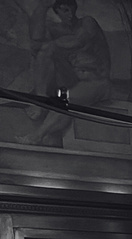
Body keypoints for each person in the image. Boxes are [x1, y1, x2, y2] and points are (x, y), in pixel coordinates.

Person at [19, 0, 112, 147]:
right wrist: (42, 7)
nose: (69, 14)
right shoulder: (58, 29)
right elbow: (36, 40)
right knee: (44, 52)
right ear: (57, 12)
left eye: (71, 9)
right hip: (72, 80)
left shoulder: (87, 23)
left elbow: (79, 40)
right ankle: (40, 98)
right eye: (64, 11)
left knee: (64, 99)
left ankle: (37, 136)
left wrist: (51, 45)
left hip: (96, 81)